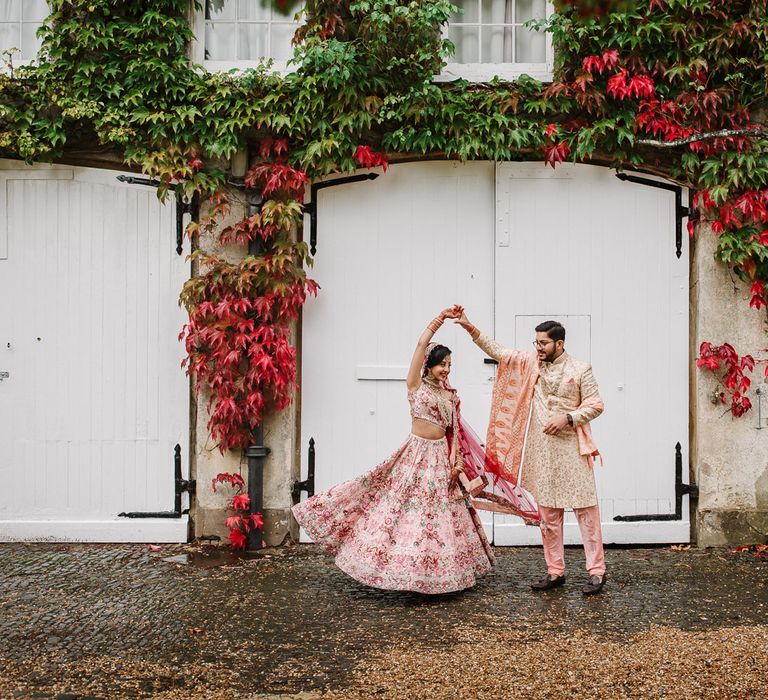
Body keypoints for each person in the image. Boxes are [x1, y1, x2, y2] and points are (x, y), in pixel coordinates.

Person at [292, 307, 496, 594]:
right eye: (442, 364)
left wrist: (455, 462)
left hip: (439, 457)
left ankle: (438, 574)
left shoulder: (449, 394)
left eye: (450, 364)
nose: (446, 370)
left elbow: (454, 433)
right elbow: (421, 344)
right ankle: (404, 569)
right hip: (415, 455)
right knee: (401, 508)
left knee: (437, 514)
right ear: (428, 365)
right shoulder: (415, 385)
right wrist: (439, 319)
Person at [455, 312, 607, 595]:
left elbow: (597, 404)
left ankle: (597, 572)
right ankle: (555, 571)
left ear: (559, 344)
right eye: (536, 342)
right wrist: (470, 328)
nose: (538, 348)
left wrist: (570, 418)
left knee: (586, 512)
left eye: (544, 343)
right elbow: (499, 351)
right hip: (542, 452)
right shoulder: (530, 364)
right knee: (548, 515)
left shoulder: (580, 368)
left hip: (573, 449)